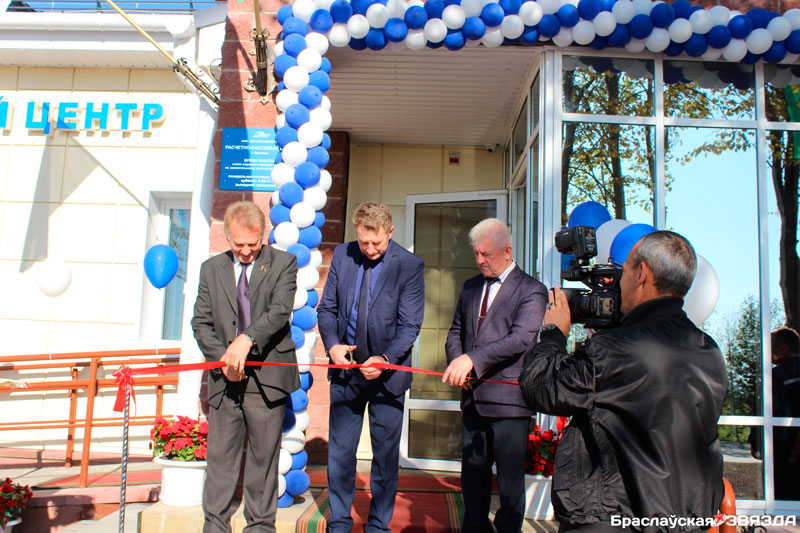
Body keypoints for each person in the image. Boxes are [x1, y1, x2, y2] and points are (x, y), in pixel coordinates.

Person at [519, 230, 727, 532]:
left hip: (613, 517)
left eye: (625, 271)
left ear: (642, 273)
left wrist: (553, 334)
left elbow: (540, 388)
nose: (620, 281)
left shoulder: (615, 349)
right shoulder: (709, 350)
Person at [191, 201, 299, 533]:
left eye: (253, 244)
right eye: (239, 245)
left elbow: (279, 312)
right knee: (220, 459)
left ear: (263, 235)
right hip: (225, 379)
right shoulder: (211, 269)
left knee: (263, 461)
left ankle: (261, 527)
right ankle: (215, 526)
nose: (247, 251)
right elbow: (201, 322)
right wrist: (225, 358)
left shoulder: (283, 263)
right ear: (227, 237)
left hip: (267, 377)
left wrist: (246, 340)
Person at [317, 202, 425, 533]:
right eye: (363, 242)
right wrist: (332, 345)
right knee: (340, 453)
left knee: (385, 456)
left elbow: (410, 326)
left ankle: (378, 525)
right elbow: (327, 309)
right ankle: (339, 522)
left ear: (390, 232)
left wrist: (386, 360)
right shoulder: (342, 255)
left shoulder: (409, 266)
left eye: (376, 242)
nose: (369, 249)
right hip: (346, 371)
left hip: (387, 376)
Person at [442, 218, 547, 533]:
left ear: (508, 251)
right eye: (476, 253)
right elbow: (456, 331)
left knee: (510, 485)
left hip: (509, 402)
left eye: (486, 254)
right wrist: (458, 363)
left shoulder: (532, 290)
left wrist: (472, 360)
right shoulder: (470, 287)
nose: (479, 260)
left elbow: (520, 339)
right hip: (473, 398)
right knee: (473, 479)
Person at [770, 327, 800, 500]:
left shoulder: (777, 375)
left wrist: (757, 442)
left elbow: (772, 408)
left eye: (770, 346)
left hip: (784, 452)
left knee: (784, 501)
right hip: (789, 449)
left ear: (784, 348)